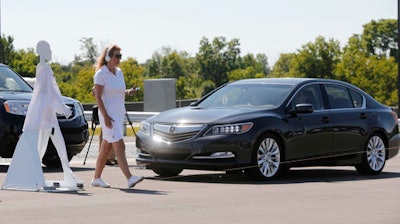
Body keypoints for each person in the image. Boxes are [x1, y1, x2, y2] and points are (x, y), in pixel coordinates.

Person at [92, 44, 143, 188]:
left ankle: (96, 178)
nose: (119, 59)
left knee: (106, 147)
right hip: (108, 116)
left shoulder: (119, 72)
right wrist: (106, 116)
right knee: (119, 145)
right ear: (108, 57)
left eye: (120, 56)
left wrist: (128, 92)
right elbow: (98, 97)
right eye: (117, 56)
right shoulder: (101, 74)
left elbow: (117, 91)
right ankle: (129, 177)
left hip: (118, 114)